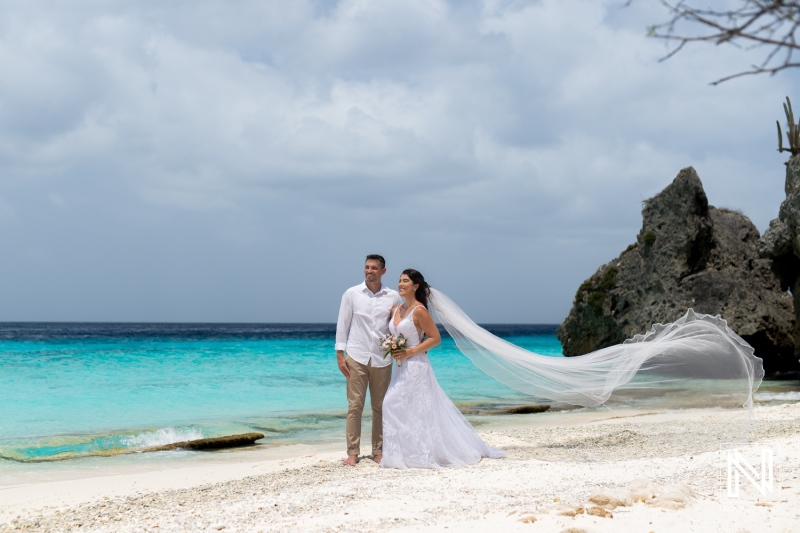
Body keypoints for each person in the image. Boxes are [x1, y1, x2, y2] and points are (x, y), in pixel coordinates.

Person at [380, 269, 506, 469]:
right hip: (400, 367)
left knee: (401, 406)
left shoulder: (419, 311)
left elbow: (435, 338)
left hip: (416, 366)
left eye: (405, 281)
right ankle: (401, 454)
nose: (400, 284)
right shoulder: (396, 309)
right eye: (399, 281)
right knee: (396, 406)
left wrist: (411, 351)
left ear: (416, 286)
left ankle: (419, 454)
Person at [335, 254, 402, 466]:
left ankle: (379, 451)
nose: (369, 271)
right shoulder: (351, 294)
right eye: (366, 267)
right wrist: (340, 354)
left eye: (374, 268)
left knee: (380, 407)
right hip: (356, 356)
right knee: (355, 406)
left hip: (382, 359)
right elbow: (342, 324)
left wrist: (403, 347)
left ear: (383, 271)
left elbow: (397, 325)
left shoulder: (392, 296)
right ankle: (352, 452)